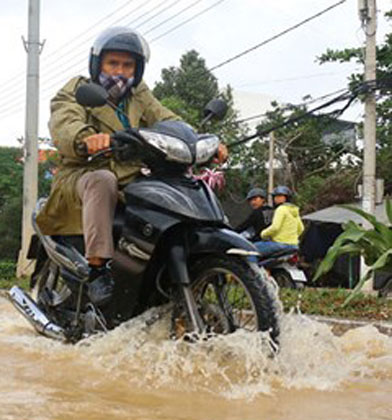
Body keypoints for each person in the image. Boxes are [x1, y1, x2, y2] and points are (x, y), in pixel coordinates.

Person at [35, 26, 227, 305]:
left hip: (131, 176)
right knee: (103, 180)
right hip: (82, 173)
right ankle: (98, 268)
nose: (120, 71)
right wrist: (86, 139)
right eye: (113, 63)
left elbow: (166, 118)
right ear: (97, 63)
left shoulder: (138, 94)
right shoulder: (78, 90)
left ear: (137, 69)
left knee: (173, 191)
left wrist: (199, 141)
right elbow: (64, 122)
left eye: (128, 65)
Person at [254, 185, 304, 257]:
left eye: (280, 196)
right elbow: (301, 229)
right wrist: (292, 238)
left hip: (280, 244)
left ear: (286, 198)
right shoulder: (294, 211)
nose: (276, 199)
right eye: (275, 196)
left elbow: (275, 227)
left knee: (251, 249)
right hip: (294, 245)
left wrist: (263, 234)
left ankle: (253, 268)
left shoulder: (281, 209)